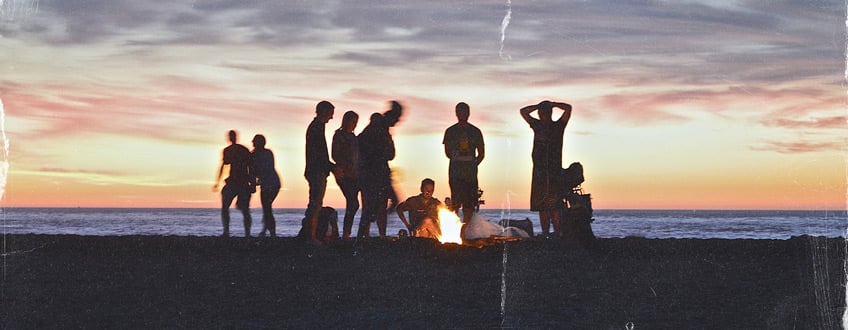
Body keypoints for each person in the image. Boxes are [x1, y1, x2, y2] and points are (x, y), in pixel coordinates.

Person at [520, 100, 572, 238]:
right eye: (541, 113)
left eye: (544, 112)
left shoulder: (558, 126)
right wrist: (539, 105)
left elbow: (568, 108)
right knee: (541, 205)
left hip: (554, 171)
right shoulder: (537, 126)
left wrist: (553, 104)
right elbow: (523, 111)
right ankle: (545, 233)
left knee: (555, 206)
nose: (542, 115)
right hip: (539, 172)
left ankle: (557, 233)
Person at [442, 102, 485, 223]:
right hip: (455, 173)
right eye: (460, 111)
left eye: (465, 111)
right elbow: (447, 153)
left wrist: (472, 165)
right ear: (456, 113)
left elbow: (481, 154)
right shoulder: (450, 131)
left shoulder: (475, 131)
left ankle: (465, 229)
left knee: (469, 203)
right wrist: (459, 159)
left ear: (469, 113)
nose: (462, 114)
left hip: (470, 174)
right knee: (455, 202)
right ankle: (455, 228)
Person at [357, 112, 395, 239]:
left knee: (370, 207)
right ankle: (376, 235)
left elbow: (390, 154)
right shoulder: (379, 136)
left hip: (370, 175)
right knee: (376, 207)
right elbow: (391, 154)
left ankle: (364, 236)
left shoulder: (363, 136)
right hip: (375, 175)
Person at [304, 101, 336, 243]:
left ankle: (310, 234)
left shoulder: (317, 127)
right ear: (323, 111)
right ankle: (310, 236)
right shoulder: (316, 127)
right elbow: (319, 153)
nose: (332, 117)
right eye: (330, 114)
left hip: (317, 169)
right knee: (316, 203)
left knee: (315, 203)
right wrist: (331, 167)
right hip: (316, 170)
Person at [213, 130, 254, 237]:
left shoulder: (242, 150)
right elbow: (223, 166)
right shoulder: (229, 150)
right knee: (227, 207)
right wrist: (217, 181)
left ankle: (246, 233)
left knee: (244, 209)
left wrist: (252, 182)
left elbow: (250, 166)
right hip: (234, 181)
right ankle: (227, 231)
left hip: (242, 181)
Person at [332, 111, 360, 239]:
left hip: (355, 174)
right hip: (344, 173)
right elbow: (335, 154)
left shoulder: (354, 137)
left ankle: (347, 233)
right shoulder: (339, 135)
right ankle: (346, 233)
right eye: (352, 121)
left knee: (353, 203)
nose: (354, 124)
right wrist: (345, 165)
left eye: (356, 122)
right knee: (353, 203)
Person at [251, 134, 281, 237]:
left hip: (271, 183)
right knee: (267, 207)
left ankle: (272, 233)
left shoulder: (264, 154)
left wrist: (255, 183)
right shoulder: (260, 154)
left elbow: (265, 169)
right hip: (271, 183)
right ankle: (266, 230)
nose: (252, 143)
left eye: (254, 141)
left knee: (267, 207)